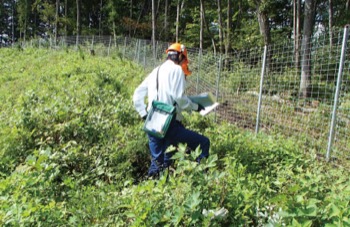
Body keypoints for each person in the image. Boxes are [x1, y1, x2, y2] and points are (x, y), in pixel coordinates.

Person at [133, 43, 210, 178]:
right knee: (203, 142)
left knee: (159, 161)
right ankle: (201, 179)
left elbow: (137, 93)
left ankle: (152, 188)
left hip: (152, 121)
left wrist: (143, 114)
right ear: (180, 56)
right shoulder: (177, 70)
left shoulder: (155, 71)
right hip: (169, 123)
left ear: (169, 54)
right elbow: (179, 97)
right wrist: (196, 107)